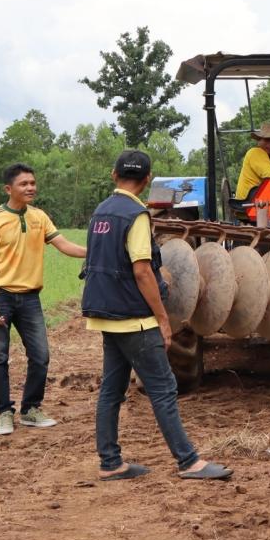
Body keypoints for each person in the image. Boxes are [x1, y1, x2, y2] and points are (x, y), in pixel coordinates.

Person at [83, 149, 232, 481]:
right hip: (134, 318)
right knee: (164, 388)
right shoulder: (136, 214)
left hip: (106, 315)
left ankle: (110, 463)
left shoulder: (100, 212)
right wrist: (163, 318)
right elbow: (141, 271)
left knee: (112, 389)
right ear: (147, 179)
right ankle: (188, 461)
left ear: (113, 175)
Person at [0, 163, 87, 436]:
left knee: (40, 355)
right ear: (8, 189)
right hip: (0, 297)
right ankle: (4, 412)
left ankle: (30, 409)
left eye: (33, 183)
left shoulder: (39, 217)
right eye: (24, 184)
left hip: (30, 300)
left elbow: (63, 244)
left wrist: (97, 250)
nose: (31, 188)